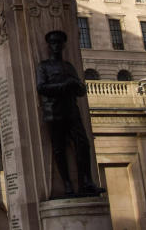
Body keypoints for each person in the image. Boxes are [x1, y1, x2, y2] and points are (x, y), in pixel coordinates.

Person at [36, 30, 100, 197]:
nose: (56, 46)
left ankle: (87, 181)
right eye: (53, 43)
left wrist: (77, 86)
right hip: (53, 112)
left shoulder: (69, 66)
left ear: (63, 45)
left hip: (71, 110)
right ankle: (67, 184)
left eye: (59, 43)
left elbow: (80, 90)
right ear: (49, 46)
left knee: (83, 144)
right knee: (59, 149)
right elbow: (41, 87)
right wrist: (65, 85)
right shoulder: (43, 66)